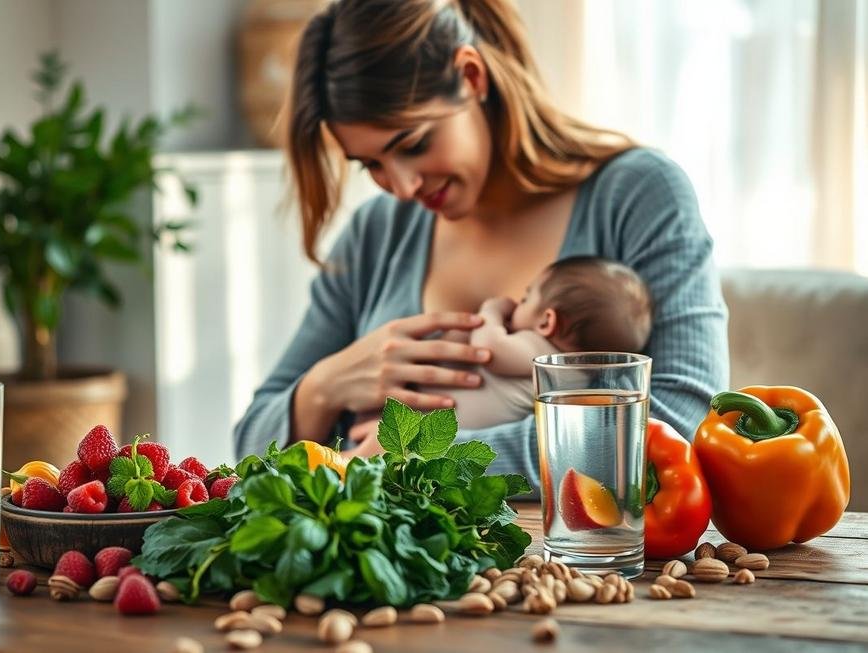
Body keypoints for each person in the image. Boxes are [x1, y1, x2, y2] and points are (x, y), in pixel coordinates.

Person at [233, 0, 729, 496]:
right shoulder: (376, 233)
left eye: (413, 144)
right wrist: (325, 386)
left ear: (472, 77)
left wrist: (420, 464)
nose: (402, 187)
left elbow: (679, 419)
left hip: (572, 547)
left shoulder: (638, 195)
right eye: (371, 165)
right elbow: (251, 444)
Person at [349, 256, 654, 437]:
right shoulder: (581, 381)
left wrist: (492, 310)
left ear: (547, 321)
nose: (517, 304)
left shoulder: (541, 353)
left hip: (437, 429)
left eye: (526, 298)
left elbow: (489, 350)